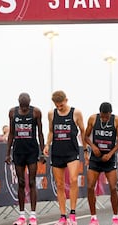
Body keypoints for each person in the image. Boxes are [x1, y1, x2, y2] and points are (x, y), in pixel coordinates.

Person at [43, 90, 86, 225]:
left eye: (61, 105)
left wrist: (85, 149)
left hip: (72, 152)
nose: (59, 108)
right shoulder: (51, 114)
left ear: (66, 100)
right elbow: (51, 131)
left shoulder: (76, 113)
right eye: (57, 105)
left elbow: (83, 131)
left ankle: (72, 214)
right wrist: (47, 145)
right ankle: (63, 216)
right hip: (57, 152)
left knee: (73, 180)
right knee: (60, 185)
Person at [5, 93, 45, 225]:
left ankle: (33, 215)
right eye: (22, 107)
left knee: (32, 182)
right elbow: (11, 133)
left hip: (32, 151)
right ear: (18, 103)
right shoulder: (12, 112)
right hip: (18, 151)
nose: (24, 109)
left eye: (26, 107)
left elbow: (40, 132)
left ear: (29, 103)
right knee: (21, 182)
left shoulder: (36, 112)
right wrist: (7, 153)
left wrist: (42, 152)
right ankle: (21, 215)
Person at [84, 102, 118, 225]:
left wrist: (110, 154)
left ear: (110, 114)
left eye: (106, 117)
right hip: (96, 158)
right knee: (90, 187)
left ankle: (115, 217)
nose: (104, 119)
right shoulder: (93, 118)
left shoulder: (116, 121)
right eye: (102, 116)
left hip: (109, 159)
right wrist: (93, 147)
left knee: (113, 188)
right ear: (99, 113)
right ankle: (93, 217)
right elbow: (85, 136)